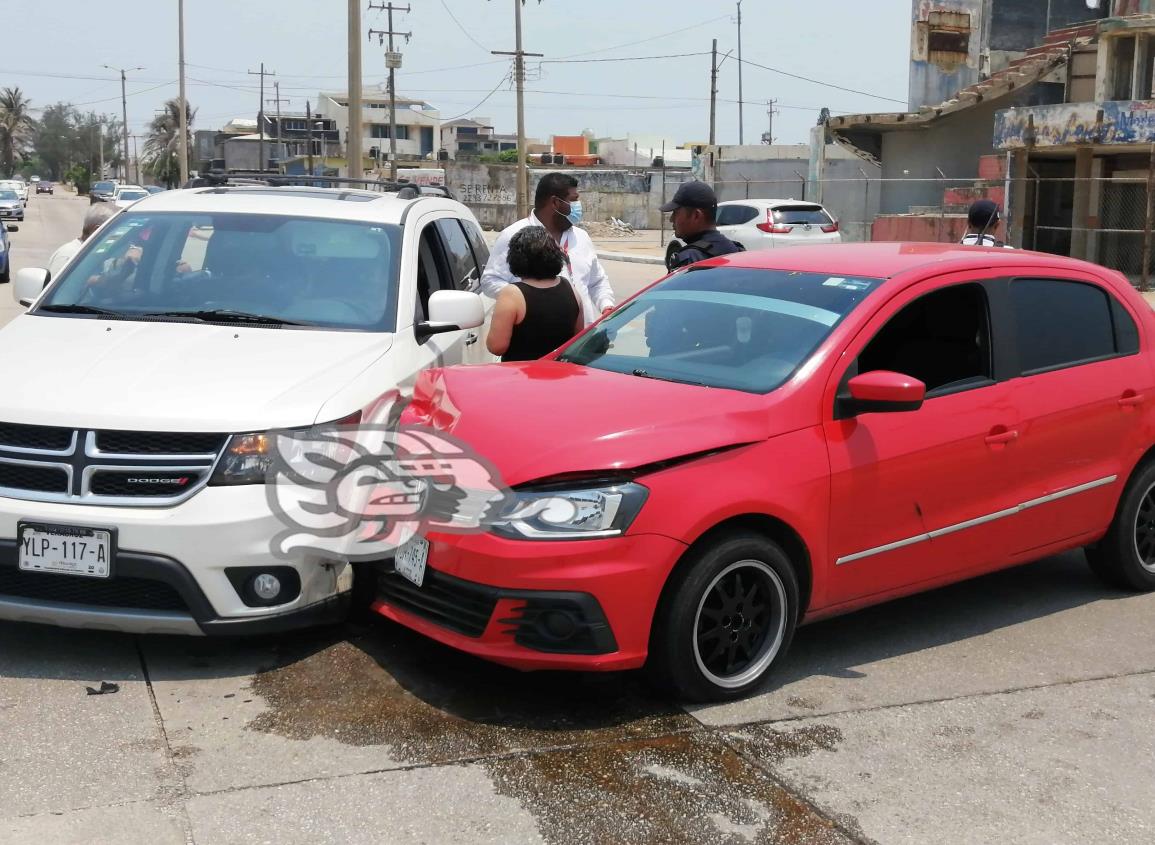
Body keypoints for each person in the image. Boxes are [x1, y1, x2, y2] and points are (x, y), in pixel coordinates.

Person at [481, 172, 614, 325]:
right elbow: (490, 281)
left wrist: (606, 305)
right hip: (538, 339)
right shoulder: (513, 235)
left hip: (581, 340)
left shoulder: (581, 237)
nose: (579, 206)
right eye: (573, 200)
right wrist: (527, 298)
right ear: (555, 203)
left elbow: (597, 281)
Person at [486, 226, 583, 362]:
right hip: (560, 373)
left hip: (522, 376)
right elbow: (578, 338)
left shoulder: (512, 294)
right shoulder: (570, 288)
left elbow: (496, 347)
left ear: (516, 258)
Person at [662, 181, 745, 271]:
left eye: (675, 213)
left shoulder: (689, 260)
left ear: (696, 215)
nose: (671, 219)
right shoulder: (737, 251)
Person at [46, 203, 119, 280]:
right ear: (97, 230)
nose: (117, 237)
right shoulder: (69, 256)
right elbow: (59, 290)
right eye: (115, 232)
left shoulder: (93, 254)